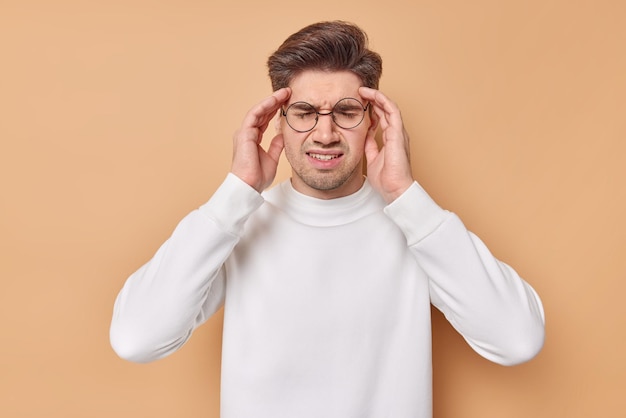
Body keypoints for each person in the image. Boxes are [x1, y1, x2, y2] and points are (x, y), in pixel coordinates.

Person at [110, 20, 545, 418]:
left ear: (373, 120)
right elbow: (137, 338)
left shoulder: (413, 224)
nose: (324, 133)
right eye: (304, 113)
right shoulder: (240, 223)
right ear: (277, 123)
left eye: (346, 111)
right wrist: (237, 191)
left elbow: (518, 340)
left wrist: (405, 196)